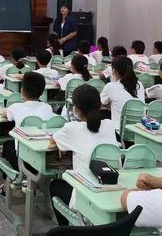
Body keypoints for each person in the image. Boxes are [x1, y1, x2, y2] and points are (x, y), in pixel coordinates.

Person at [49, 84, 118, 225]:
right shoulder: (110, 125)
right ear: (100, 105)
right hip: (113, 193)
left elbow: (52, 142)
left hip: (86, 197)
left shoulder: (72, 128)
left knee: (55, 185)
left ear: (77, 110)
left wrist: (64, 145)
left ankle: (69, 231)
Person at [1, 72, 54, 170]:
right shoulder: (48, 108)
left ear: (21, 91)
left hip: (22, 158)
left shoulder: (15, 107)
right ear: (42, 92)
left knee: (7, 145)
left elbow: (4, 115)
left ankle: (8, 180)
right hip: (42, 156)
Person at [100, 56, 145, 130]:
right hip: (138, 131)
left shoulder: (111, 86)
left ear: (114, 71)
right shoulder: (139, 85)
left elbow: (100, 103)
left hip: (118, 131)